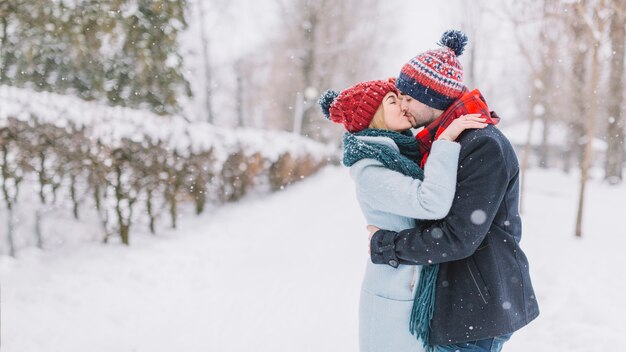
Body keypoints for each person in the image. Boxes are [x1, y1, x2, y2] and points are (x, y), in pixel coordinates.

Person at [366, 30, 539, 351]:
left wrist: (387, 245)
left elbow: (459, 237)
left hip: (476, 306)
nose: (403, 106)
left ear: (433, 99)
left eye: (408, 98)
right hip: (460, 304)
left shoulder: (482, 145)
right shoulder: (444, 142)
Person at [319, 79, 488, 352]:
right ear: (375, 117)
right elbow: (431, 202)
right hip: (395, 293)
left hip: (414, 286)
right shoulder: (370, 169)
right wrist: (444, 141)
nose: (403, 105)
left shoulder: (403, 155)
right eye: (393, 101)